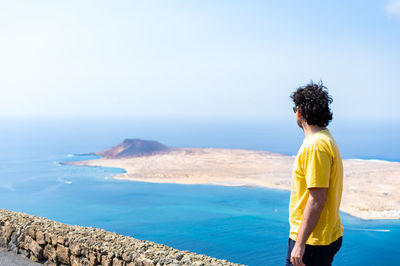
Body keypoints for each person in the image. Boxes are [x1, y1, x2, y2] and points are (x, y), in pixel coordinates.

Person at [286, 82, 343, 266]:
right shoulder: (326, 138)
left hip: (312, 240)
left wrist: (300, 244)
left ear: (299, 112)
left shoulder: (315, 146)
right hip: (322, 235)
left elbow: (317, 198)